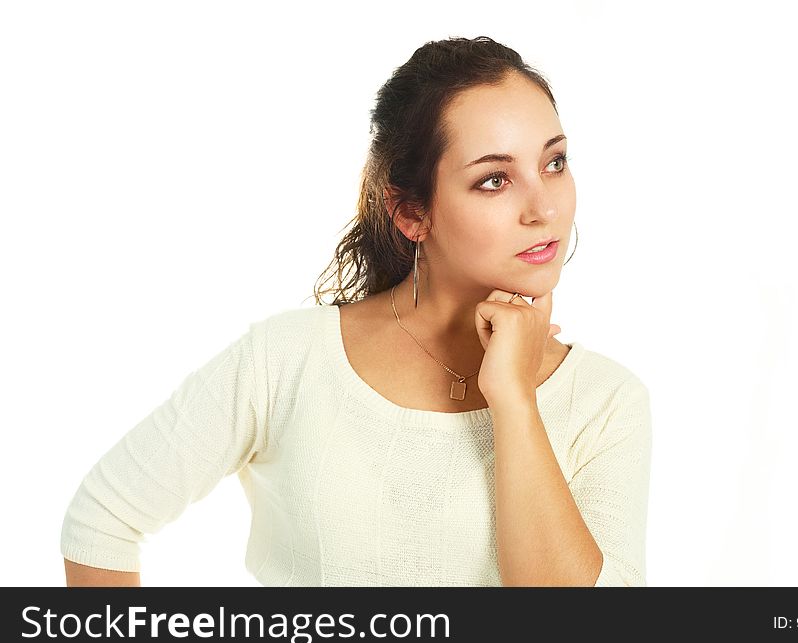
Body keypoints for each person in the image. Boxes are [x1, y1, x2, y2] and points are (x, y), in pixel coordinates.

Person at [61, 36, 652, 587]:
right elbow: (103, 520)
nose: (543, 207)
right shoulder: (286, 362)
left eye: (554, 162)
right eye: (494, 180)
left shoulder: (604, 400)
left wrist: (515, 401)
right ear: (411, 213)